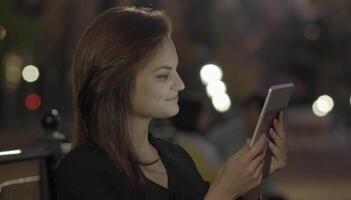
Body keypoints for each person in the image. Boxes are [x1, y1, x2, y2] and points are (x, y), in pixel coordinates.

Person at [55, 6, 288, 200]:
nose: (180, 84)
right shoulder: (83, 170)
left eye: (175, 70)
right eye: (163, 75)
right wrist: (223, 190)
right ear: (117, 83)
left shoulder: (176, 158)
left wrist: (251, 180)